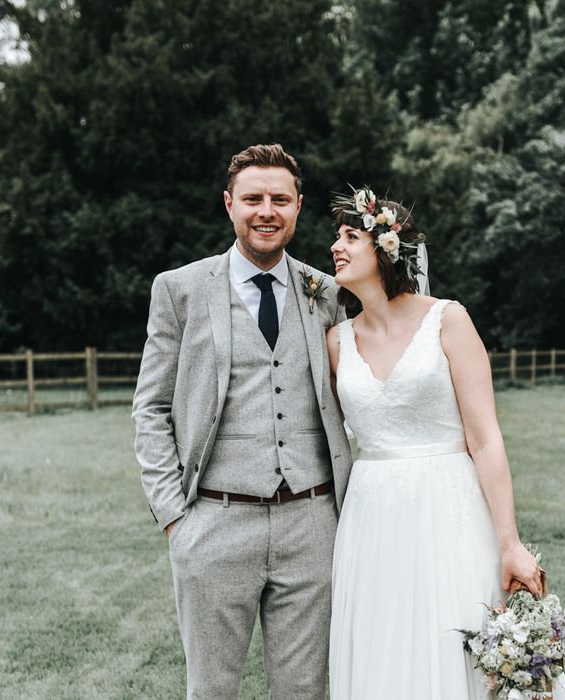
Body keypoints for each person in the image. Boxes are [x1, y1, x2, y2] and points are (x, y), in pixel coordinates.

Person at [326, 187, 565, 699]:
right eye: (336, 236)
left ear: (386, 249)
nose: (336, 246)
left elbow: (485, 439)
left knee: (452, 638)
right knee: (383, 645)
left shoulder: (448, 319)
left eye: (351, 235)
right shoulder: (336, 341)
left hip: (448, 508)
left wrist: (510, 542)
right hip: (371, 518)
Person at [132, 144, 352, 699]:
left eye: (280, 199)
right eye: (253, 198)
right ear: (229, 204)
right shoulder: (179, 290)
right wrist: (175, 519)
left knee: (304, 690)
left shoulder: (325, 292)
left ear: (298, 207)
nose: (266, 211)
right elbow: (152, 407)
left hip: (312, 523)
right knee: (211, 690)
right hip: (214, 520)